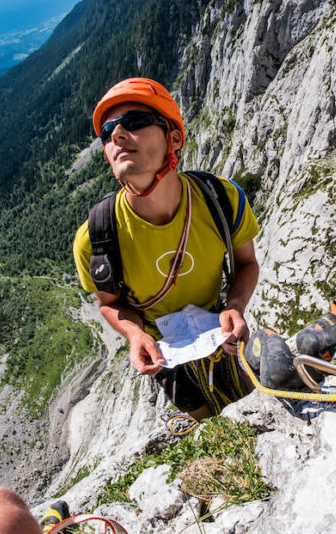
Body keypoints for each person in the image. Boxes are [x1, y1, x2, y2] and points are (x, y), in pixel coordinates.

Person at [73, 77, 273, 420]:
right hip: (163, 349)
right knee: (202, 417)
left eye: (134, 122)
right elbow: (108, 304)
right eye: (107, 133)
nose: (117, 135)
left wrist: (235, 306)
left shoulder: (222, 199)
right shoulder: (96, 237)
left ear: (175, 138)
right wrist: (135, 334)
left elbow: (247, 264)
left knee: (252, 405)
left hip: (218, 325)